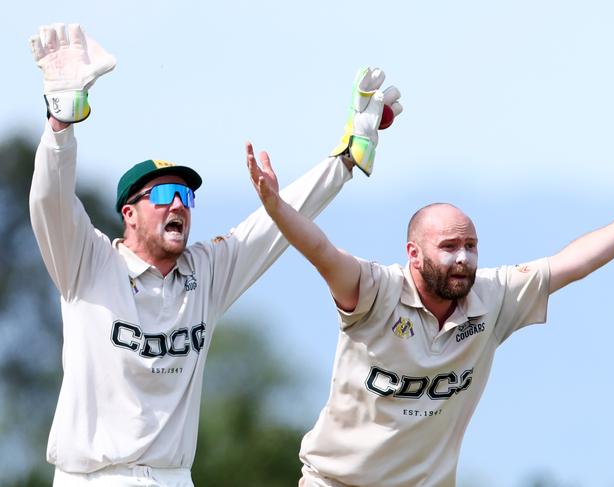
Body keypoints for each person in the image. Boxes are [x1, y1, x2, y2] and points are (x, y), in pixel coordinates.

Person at [28, 23, 402, 487]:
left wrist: (345, 159)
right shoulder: (87, 263)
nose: (179, 204)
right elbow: (51, 202)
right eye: (163, 193)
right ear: (129, 213)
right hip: (91, 478)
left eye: (186, 194)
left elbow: (275, 225)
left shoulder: (205, 272)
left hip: (173, 477)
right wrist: (60, 122)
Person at [248, 137, 614, 485]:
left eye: (470, 246)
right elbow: (321, 252)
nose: (463, 258)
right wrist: (278, 208)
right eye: (449, 247)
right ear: (414, 254)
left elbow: (574, 263)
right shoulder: (375, 289)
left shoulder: (493, 297)